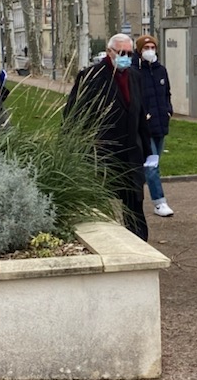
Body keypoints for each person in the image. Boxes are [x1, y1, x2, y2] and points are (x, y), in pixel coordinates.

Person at [63, 33, 152, 241]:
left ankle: (139, 241)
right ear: (110, 51)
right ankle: (103, 241)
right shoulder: (91, 76)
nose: (126, 57)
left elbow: (140, 115)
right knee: (100, 203)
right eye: (121, 53)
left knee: (135, 203)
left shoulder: (135, 77)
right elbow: (73, 115)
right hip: (102, 153)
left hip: (131, 154)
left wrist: (148, 151)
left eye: (129, 54)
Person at [134, 34, 174, 217]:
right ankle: (160, 202)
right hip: (145, 126)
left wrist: (168, 111)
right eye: (146, 48)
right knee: (152, 165)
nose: (150, 51)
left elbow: (167, 94)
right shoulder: (135, 71)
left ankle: (136, 195)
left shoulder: (161, 70)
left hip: (161, 124)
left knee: (151, 164)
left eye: (152, 47)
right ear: (139, 50)